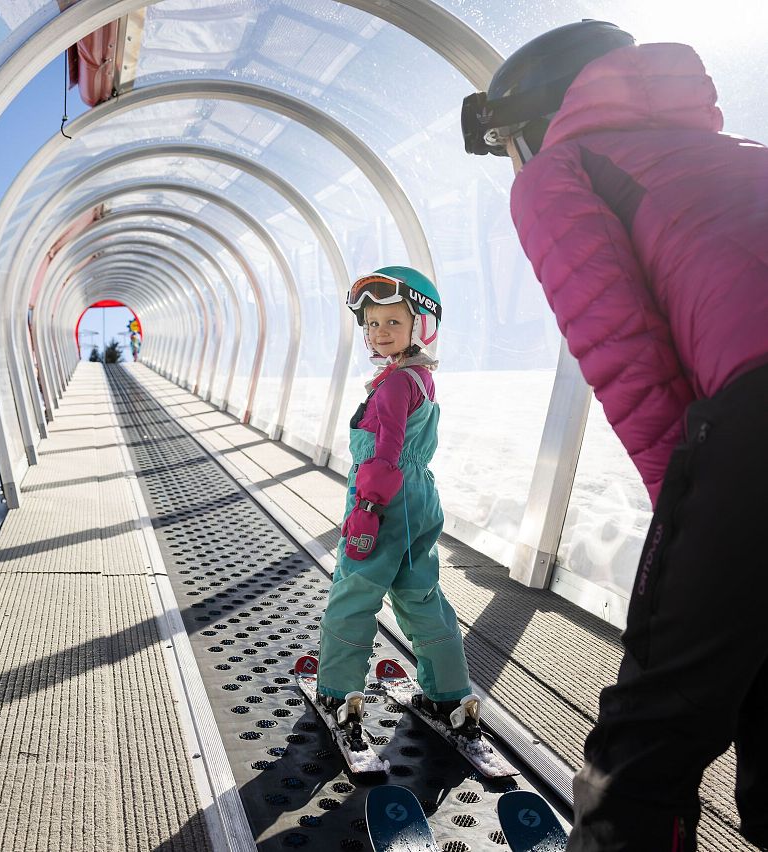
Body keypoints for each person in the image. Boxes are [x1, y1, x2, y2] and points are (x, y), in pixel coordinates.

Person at [461, 19, 768, 852]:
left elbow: (629, 361)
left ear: (535, 122)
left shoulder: (561, 170)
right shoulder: (741, 154)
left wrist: (691, 541)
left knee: (650, 737)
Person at [316, 266, 480, 743]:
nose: (379, 332)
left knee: (355, 591)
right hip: (419, 501)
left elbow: (386, 451)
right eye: (371, 323)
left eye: (392, 322)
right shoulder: (419, 377)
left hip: (383, 501)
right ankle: (449, 693)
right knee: (420, 593)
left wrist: (367, 506)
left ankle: (338, 691)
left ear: (419, 327)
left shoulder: (391, 385)